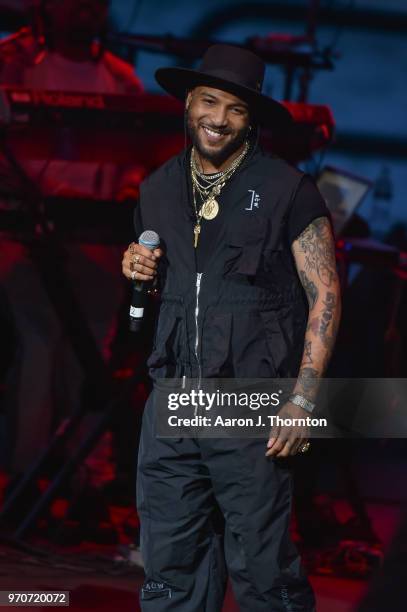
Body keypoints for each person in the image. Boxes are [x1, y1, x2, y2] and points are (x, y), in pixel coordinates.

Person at [122, 44, 341, 611]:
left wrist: (305, 401)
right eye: (209, 101)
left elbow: (325, 297)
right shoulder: (156, 189)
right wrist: (138, 269)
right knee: (169, 565)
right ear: (187, 103)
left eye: (235, 109)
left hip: (250, 403)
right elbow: (161, 289)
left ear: (252, 119)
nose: (218, 119)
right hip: (173, 400)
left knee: (263, 570)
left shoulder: (287, 190)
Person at [0, 0, 143, 474]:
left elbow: (140, 156)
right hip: (27, 235)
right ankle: (26, 478)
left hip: (98, 242)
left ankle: (84, 482)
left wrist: (126, 190)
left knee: (90, 355)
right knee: (39, 343)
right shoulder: (17, 67)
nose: (84, 11)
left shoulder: (122, 78)